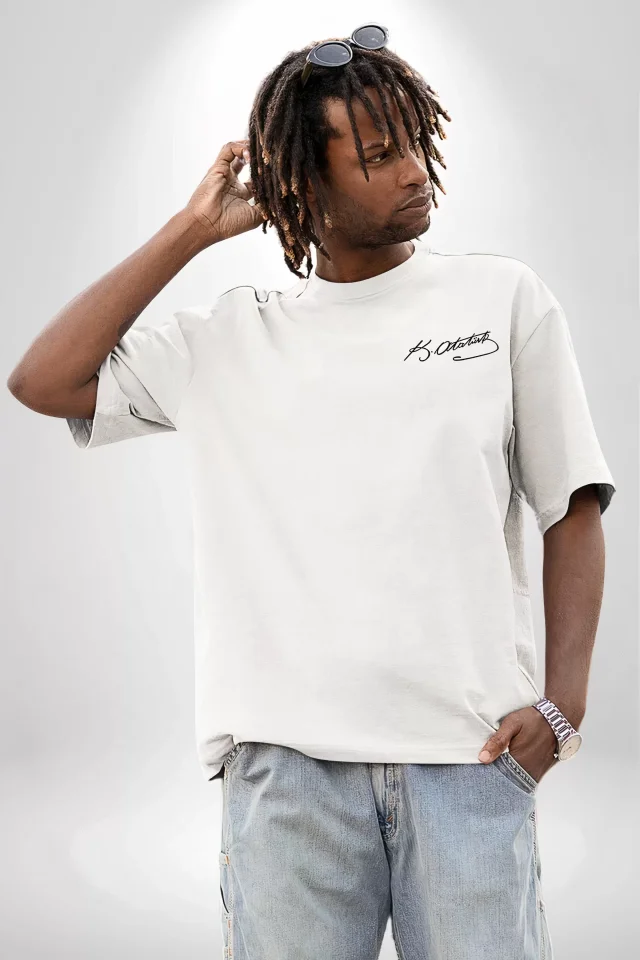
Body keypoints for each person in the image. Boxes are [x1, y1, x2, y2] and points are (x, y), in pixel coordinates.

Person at [7, 31, 615, 960]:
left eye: (416, 142)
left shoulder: (503, 302)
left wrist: (564, 708)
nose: (415, 171)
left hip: (470, 762)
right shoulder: (226, 341)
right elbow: (43, 380)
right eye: (379, 155)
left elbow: (572, 505)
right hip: (287, 784)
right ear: (304, 186)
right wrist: (193, 229)